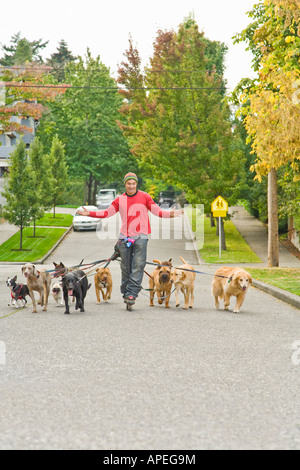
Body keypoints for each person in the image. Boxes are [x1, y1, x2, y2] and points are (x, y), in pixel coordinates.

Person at [78, 172, 183, 308]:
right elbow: (106, 212)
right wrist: (90, 213)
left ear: (136, 184)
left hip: (141, 237)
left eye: (133, 183)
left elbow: (156, 210)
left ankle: (132, 294)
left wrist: (171, 214)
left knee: (138, 265)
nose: (131, 186)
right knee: (126, 268)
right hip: (125, 238)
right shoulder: (120, 199)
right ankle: (126, 292)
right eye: (129, 183)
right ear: (125, 184)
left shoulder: (145, 196)